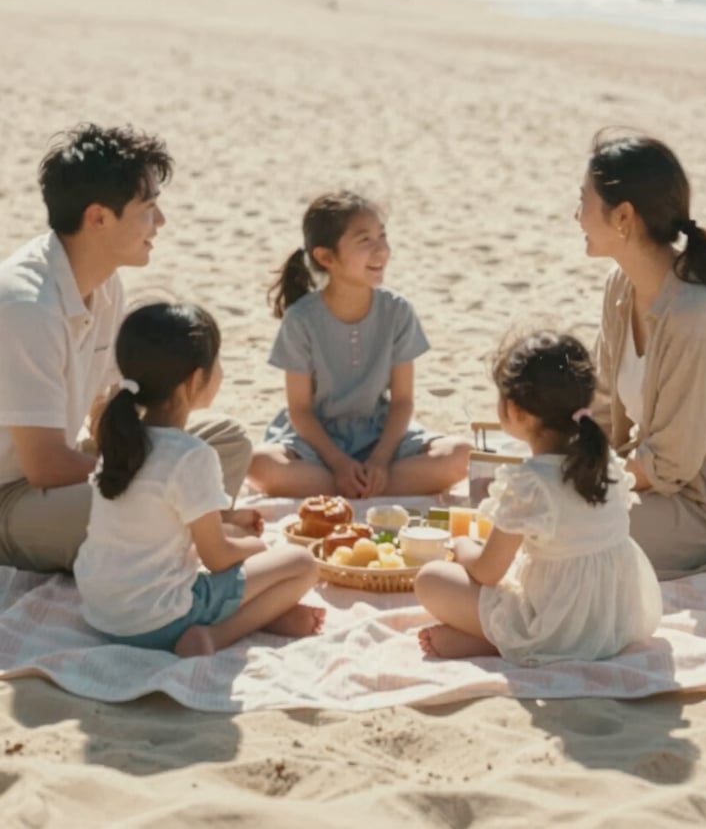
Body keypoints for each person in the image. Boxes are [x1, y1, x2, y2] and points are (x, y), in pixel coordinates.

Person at [0, 124, 254, 573]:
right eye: (149, 208)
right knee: (157, 489)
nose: (161, 223)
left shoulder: (104, 281)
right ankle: (199, 525)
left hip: (67, 464)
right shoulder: (26, 305)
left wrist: (162, 463)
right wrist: (160, 473)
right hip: (13, 499)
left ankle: (191, 525)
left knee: (224, 442)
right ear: (98, 217)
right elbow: (44, 467)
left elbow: (105, 410)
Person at [74, 303, 324, 657]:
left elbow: (156, 520)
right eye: (216, 362)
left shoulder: (120, 441)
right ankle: (217, 635)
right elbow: (219, 558)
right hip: (157, 622)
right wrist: (256, 547)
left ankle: (266, 615)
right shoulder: (191, 455)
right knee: (301, 564)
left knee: (251, 572)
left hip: (101, 614)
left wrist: (230, 523)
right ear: (194, 380)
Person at [579, 130, 706, 580]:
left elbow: (670, 463)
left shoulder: (694, 316)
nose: (576, 214)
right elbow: (603, 405)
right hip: (651, 483)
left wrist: (585, 486)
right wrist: (568, 464)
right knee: (542, 512)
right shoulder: (621, 286)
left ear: (623, 216)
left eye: (583, 199)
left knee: (574, 536)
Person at [415, 330, 662, 663]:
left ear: (516, 411)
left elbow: (488, 572)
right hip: (613, 622)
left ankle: (510, 642)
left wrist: (462, 547)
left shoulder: (531, 483)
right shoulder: (607, 463)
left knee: (430, 579)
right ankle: (510, 640)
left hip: (557, 626)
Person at [248, 190, 471, 499]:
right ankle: (358, 485)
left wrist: (380, 460)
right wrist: (339, 465)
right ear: (326, 257)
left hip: (381, 434)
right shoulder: (301, 319)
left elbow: (403, 401)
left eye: (383, 236)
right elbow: (299, 410)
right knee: (259, 465)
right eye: (365, 240)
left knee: (460, 454)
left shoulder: (397, 311)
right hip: (317, 440)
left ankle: (360, 485)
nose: (381, 250)